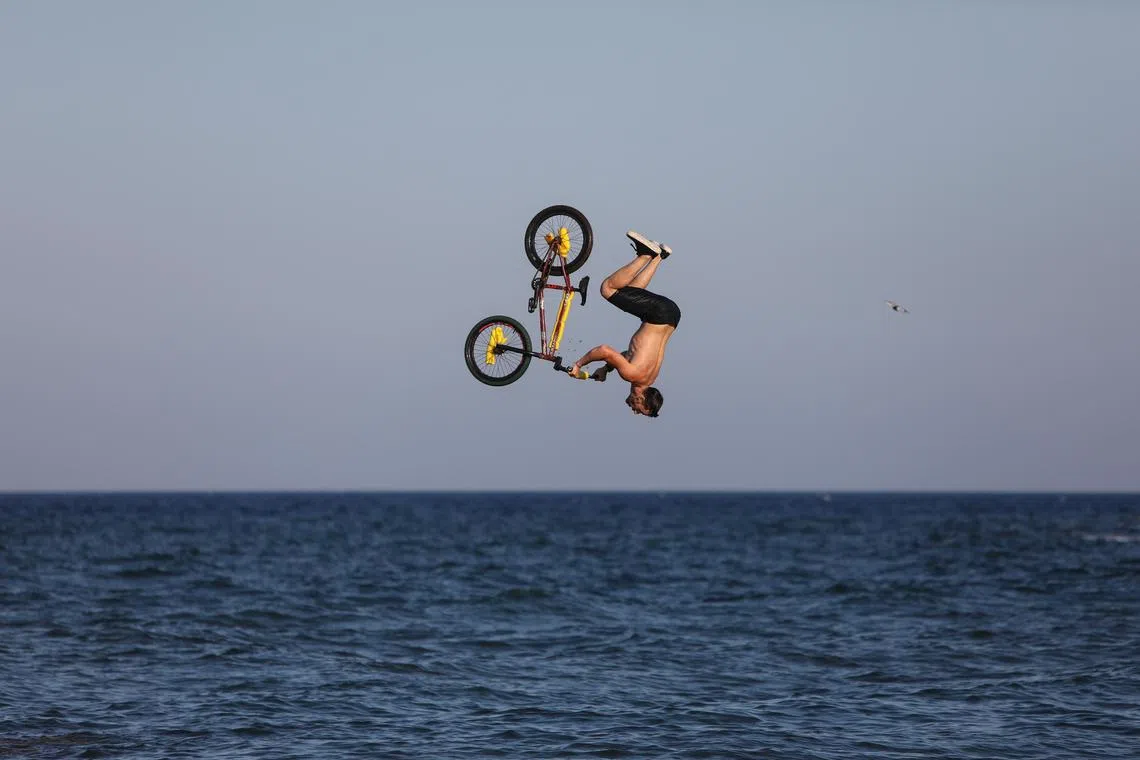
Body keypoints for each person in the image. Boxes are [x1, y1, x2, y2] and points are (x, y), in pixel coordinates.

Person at [567, 230, 681, 417]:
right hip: (658, 314)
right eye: (640, 410)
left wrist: (606, 369)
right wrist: (578, 365)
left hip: (671, 316)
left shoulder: (649, 376)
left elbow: (625, 355)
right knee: (608, 289)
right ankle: (646, 254)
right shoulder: (632, 375)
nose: (634, 411)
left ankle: (659, 256)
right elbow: (604, 350)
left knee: (631, 292)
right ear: (643, 400)